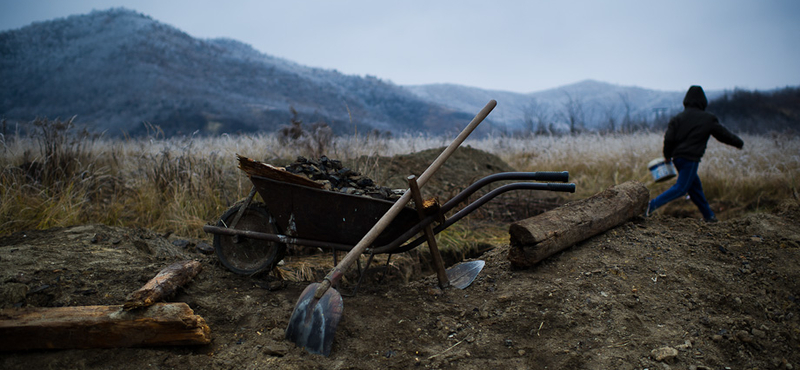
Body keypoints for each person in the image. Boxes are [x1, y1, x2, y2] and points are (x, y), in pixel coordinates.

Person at [646, 85, 744, 222]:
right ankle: (650, 206)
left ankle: (709, 217)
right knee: (681, 188)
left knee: (695, 189)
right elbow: (723, 135)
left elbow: (668, 138)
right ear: (703, 101)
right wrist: (739, 143)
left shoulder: (678, 118)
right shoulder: (708, 119)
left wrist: (667, 156)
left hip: (677, 158)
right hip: (690, 159)